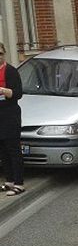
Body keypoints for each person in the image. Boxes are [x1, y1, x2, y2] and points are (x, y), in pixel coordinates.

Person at [0, 42, 25, 196]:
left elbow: (18, 93)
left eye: (0, 53)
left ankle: (19, 183)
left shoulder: (10, 71)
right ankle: (9, 180)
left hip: (10, 114)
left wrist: (3, 90)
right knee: (2, 150)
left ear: (4, 54)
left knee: (13, 149)